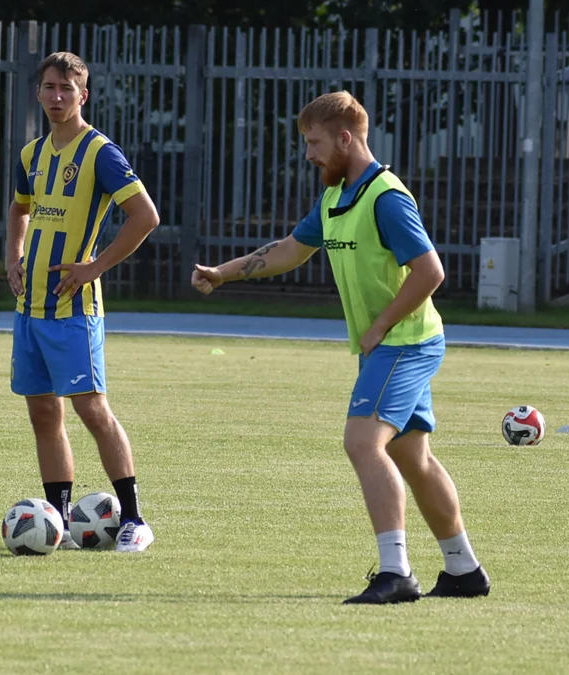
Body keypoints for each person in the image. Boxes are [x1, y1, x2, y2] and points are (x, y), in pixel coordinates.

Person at [191, 91, 490, 603]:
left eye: (314, 143)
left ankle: (396, 573)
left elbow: (430, 271)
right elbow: (289, 250)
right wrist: (223, 273)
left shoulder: (386, 197)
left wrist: (378, 329)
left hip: (405, 343)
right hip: (390, 346)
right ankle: (463, 570)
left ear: (345, 139)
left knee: (361, 443)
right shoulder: (334, 197)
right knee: (411, 456)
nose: (308, 154)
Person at [6, 51, 158, 553]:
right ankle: (63, 523)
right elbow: (19, 209)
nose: (55, 97)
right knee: (44, 416)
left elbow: (145, 216)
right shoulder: (32, 154)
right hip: (31, 308)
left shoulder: (100, 153)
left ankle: (134, 519)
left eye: (65, 90)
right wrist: (15, 255)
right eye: (48, 88)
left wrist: (95, 266)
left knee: (93, 411)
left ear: (82, 95)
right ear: (39, 91)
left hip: (74, 309)